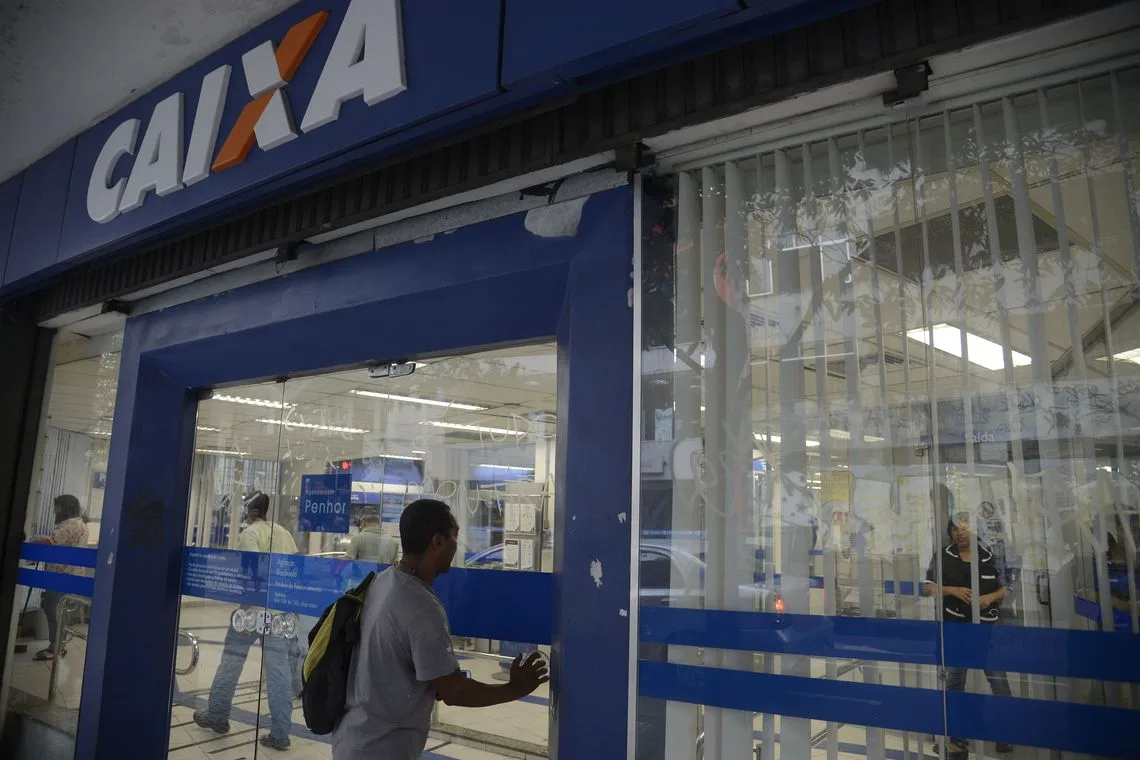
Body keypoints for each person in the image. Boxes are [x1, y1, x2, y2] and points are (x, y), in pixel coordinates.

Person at [331, 498, 548, 760]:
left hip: (355, 737)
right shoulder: (421, 607)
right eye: (455, 536)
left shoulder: (384, 581)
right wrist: (515, 689)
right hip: (381, 748)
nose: (458, 545)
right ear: (437, 542)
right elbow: (453, 690)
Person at [194, 491, 299, 751]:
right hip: (281, 611)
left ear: (252, 512)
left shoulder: (250, 534)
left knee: (232, 659)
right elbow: (294, 568)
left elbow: (252, 571)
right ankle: (280, 733)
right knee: (279, 671)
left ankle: (217, 716)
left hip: (254, 610)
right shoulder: (284, 533)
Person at [923, 488, 1014, 759]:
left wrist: (990, 597)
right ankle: (957, 738)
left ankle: (1005, 734)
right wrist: (951, 590)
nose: (959, 533)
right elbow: (928, 588)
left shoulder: (989, 556)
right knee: (954, 679)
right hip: (955, 627)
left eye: (964, 527)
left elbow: (1007, 588)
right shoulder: (943, 556)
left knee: (997, 679)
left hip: (986, 629)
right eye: (955, 529)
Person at [31, 494, 89, 661]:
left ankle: (55, 648)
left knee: (53, 611)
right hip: (69, 576)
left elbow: (50, 542)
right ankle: (57, 646)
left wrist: (31, 542)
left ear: (65, 507)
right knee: (56, 611)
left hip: (61, 577)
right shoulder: (80, 524)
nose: (54, 510)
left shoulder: (72, 525)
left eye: (56, 506)